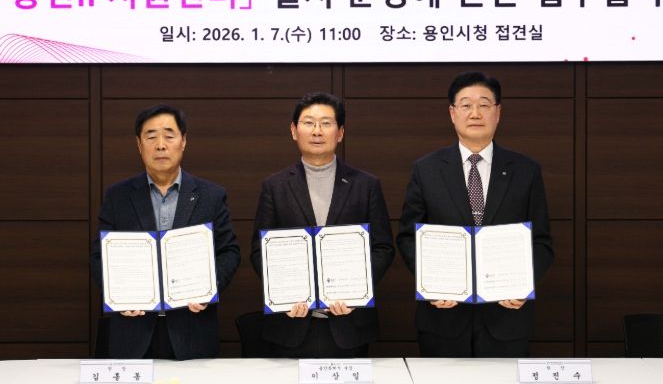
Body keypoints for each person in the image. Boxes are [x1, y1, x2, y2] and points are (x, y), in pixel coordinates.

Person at [397, 72, 554, 358]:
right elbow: (408, 238)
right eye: (466, 105)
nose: (475, 113)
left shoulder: (525, 170)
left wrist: (523, 285)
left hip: (506, 317)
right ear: (452, 113)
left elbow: (541, 242)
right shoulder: (426, 169)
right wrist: (430, 284)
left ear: (498, 113)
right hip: (443, 317)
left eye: (484, 104)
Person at [250, 92, 395, 358]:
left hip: (349, 323)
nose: (317, 131)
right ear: (294, 130)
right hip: (291, 323)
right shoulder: (275, 186)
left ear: (340, 133)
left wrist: (357, 292)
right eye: (309, 123)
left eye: (326, 123)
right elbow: (260, 252)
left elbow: (383, 248)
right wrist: (283, 293)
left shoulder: (366, 185)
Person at [90, 104, 240, 360]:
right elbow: (98, 257)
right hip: (132, 332)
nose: (160, 145)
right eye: (151, 137)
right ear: (139, 144)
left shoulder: (211, 196)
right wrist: (118, 295)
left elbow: (229, 252)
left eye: (169, 136)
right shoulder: (117, 197)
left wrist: (208, 288)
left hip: (192, 330)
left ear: (183, 141)